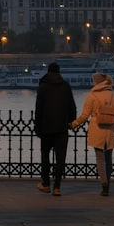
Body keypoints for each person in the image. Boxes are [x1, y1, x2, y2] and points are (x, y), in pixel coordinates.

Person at [72, 72, 114, 196]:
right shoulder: (113, 95)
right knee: (109, 158)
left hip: (97, 128)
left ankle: (103, 185)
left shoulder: (92, 95)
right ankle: (108, 184)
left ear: (96, 82)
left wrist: (74, 124)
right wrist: (111, 121)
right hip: (110, 129)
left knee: (100, 158)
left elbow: (85, 115)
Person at [33, 62, 77, 196]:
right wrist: (70, 121)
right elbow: (72, 107)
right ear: (59, 72)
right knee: (60, 158)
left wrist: (37, 126)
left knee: (45, 156)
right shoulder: (65, 86)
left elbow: (38, 109)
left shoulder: (43, 87)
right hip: (61, 128)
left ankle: (46, 184)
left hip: (46, 128)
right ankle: (57, 187)